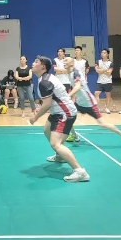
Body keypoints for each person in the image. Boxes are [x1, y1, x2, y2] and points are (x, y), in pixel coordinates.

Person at [29, 55, 90, 183]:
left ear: (43, 67)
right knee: (47, 130)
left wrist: (35, 117)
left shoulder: (45, 82)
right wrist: (40, 108)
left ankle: (80, 172)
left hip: (65, 113)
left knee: (55, 144)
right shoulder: (44, 79)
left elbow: (47, 104)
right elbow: (48, 100)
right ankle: (60, 156)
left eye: (36, 62)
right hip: (58, 111)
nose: (33, 63)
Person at [65, 57, 121, 148]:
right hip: (79, 102)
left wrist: (68, 96)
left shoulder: (76, 73)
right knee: (68, 117)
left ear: (71, 64)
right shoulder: (69, 73)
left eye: (66, 60)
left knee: (103, 124)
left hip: (89, 103)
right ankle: (74, 135)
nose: (64, 61)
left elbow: (77, 87)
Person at [94, 49, 114, 113]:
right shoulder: (98, 61)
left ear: (107, 54)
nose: (103, 54)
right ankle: (96, 108)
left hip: (108, 81)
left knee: (108, 95)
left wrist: (101, 70)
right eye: (102, 52)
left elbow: (109, 73)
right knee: (96, 93)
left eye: (104, 53)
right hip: (100, 81)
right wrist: (105, 70)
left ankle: (107, 108)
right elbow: (97, 70)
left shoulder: (110, 63)